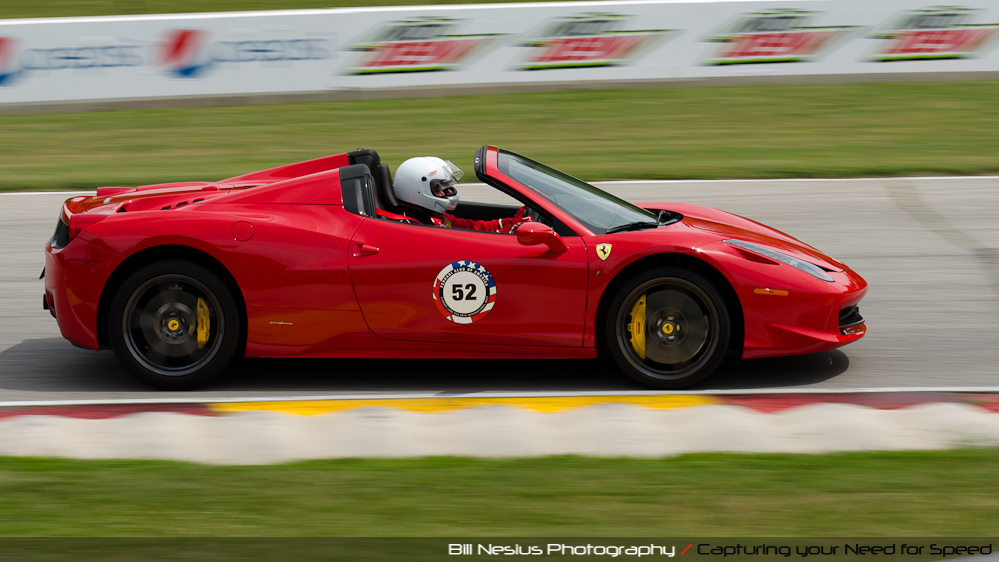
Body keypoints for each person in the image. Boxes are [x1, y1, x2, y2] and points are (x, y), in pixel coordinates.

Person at [380, 156, 532, 233]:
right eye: (437, 188)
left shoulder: (434, 216)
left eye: (444, 187)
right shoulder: (416, 226)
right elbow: (469, 241)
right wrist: (512, 230)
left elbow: (471, 228)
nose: (443, 193)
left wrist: (512, 222)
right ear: (417, 189)